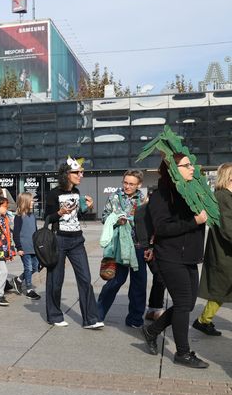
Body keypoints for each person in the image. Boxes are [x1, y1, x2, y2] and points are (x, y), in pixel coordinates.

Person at [141, 154, 209, 368]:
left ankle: (151, 331)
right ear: (173, 169)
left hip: (188, 256)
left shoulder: (189, 192)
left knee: (187, 304)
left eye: (192, 164)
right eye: (187, 165)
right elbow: (162, 228)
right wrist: (194, 221)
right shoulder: (161, 195)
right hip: (170, 256)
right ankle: (183, 353)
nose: (192, 168)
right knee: (181, 304)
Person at [44, 157, 103, 329]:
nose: (80, 175)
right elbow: (48, 218)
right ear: (66, 174)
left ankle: (90, 319)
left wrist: (88, 208)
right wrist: (59, 212)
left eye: (81, 172)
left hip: (77, 240)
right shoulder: (54, 194)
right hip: (59, 239)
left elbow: (76, 217)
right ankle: (54, 316)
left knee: (85, 278)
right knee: (56, 280)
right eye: (77, 172)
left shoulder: (76, 193)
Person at [96, 170, 148, 328]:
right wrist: (117, 220)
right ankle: (97, 315)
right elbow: (104, 216)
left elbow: (148, 222)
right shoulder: (114, 197)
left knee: (139, 284)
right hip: (119, 246)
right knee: (115, 281)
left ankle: (135, 319)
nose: (127, 186)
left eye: (131, 184)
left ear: (139, 184)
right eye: (125, 182)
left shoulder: (143, 200)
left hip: (138, 246)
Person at [193, 162, 232, 337]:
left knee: (222, 289)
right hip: (225, 251)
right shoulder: (223, 197)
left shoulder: (226, 196)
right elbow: (227, 227)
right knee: (221, 288)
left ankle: (203, 321)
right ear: (230, 176)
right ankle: (203, 321)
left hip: (225, 249)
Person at [13, 192, 41, 300]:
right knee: (28, 268)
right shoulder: (19, 217)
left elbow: (35, 232)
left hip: (34, 247)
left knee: (35, 268)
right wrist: (19, 247)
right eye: (31, 200)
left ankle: (19, 280)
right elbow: (15, 234)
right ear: (25, 202)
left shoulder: (33, 216)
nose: (33, 202)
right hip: (24, 248)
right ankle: (29, 289)